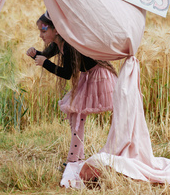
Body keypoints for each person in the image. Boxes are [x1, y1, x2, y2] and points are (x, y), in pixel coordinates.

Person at [26, 12, 117, 165]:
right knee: (75, 114)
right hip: (87, 76)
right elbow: (45, 56)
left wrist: (45, 63)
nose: (41, 35)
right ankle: (77, 157)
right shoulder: (58, 44)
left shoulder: (68, 46)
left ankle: (74, 159)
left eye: (43, 30)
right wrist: (35, 54)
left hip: (99, 76)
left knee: (77, 114)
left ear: (56, 30)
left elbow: (67, 73)